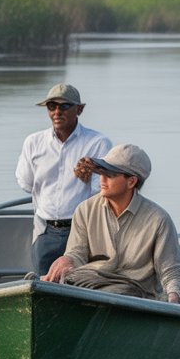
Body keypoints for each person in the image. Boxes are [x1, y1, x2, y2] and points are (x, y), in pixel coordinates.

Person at [42, 144, 180, 304]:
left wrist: (174, 300)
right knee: (46, 285)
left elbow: (171, 271)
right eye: (101, 173)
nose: (101, 180)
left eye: (109, 175)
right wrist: (67, 260)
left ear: (131, 181)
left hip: (134, 294)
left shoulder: (158, 220)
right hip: (89, 283)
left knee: (120, 292)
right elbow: (78, 253)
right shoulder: (85, 209)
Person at [15, 83, 112, 276]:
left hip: (82, 230)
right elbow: (25, 182)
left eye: (64, 106)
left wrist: (89, 174)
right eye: (52, 106)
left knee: (81, 285)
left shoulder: (97, 143)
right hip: (45, 230)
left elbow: (99, 191)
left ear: (80, 109)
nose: (57, 111)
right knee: (44, 286)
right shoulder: (33, 142)